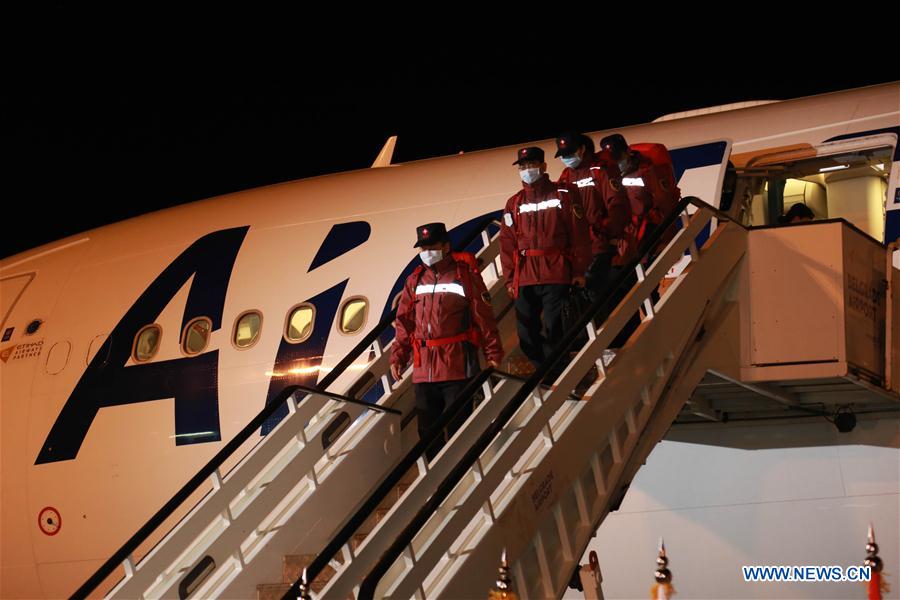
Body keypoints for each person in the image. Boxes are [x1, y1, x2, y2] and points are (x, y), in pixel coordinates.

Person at [390, 222, 504, 459]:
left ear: (446, 246)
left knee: (458, 429)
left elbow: (483, 317)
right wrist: (398, 357)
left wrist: (493, 354)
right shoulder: (415, 281)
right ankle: (437, 483)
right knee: (427, 434)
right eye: (422, 248)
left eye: (431, 246)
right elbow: (403, 323)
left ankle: (458, 479)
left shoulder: (464, 276)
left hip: (457, 368)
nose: (426, 253)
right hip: (424, 371)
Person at [499, 146, 590, 375]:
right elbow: (507, 244)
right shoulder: (514, 203)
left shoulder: (564, 194)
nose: (527, 170)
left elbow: (578, 234)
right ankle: (548, 371)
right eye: (523, 166)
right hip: (526, 275)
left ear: (544, 166)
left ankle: (557, 373)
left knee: (555, 327)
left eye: (531, 165)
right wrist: (510, 279)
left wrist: (579, 270)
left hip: (556, 271)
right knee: (526, 334)